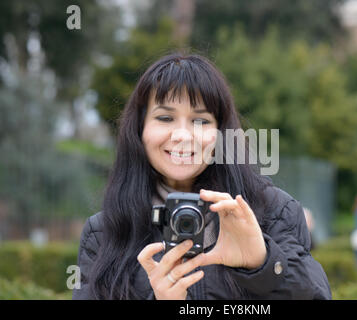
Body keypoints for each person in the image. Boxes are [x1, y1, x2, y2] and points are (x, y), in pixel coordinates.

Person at [72, 53, 331, 300]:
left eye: (201, 121)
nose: (183, 136)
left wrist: (263, 264)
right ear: (139, 131)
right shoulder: (105, 232)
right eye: (165, 117)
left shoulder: (273, 211)